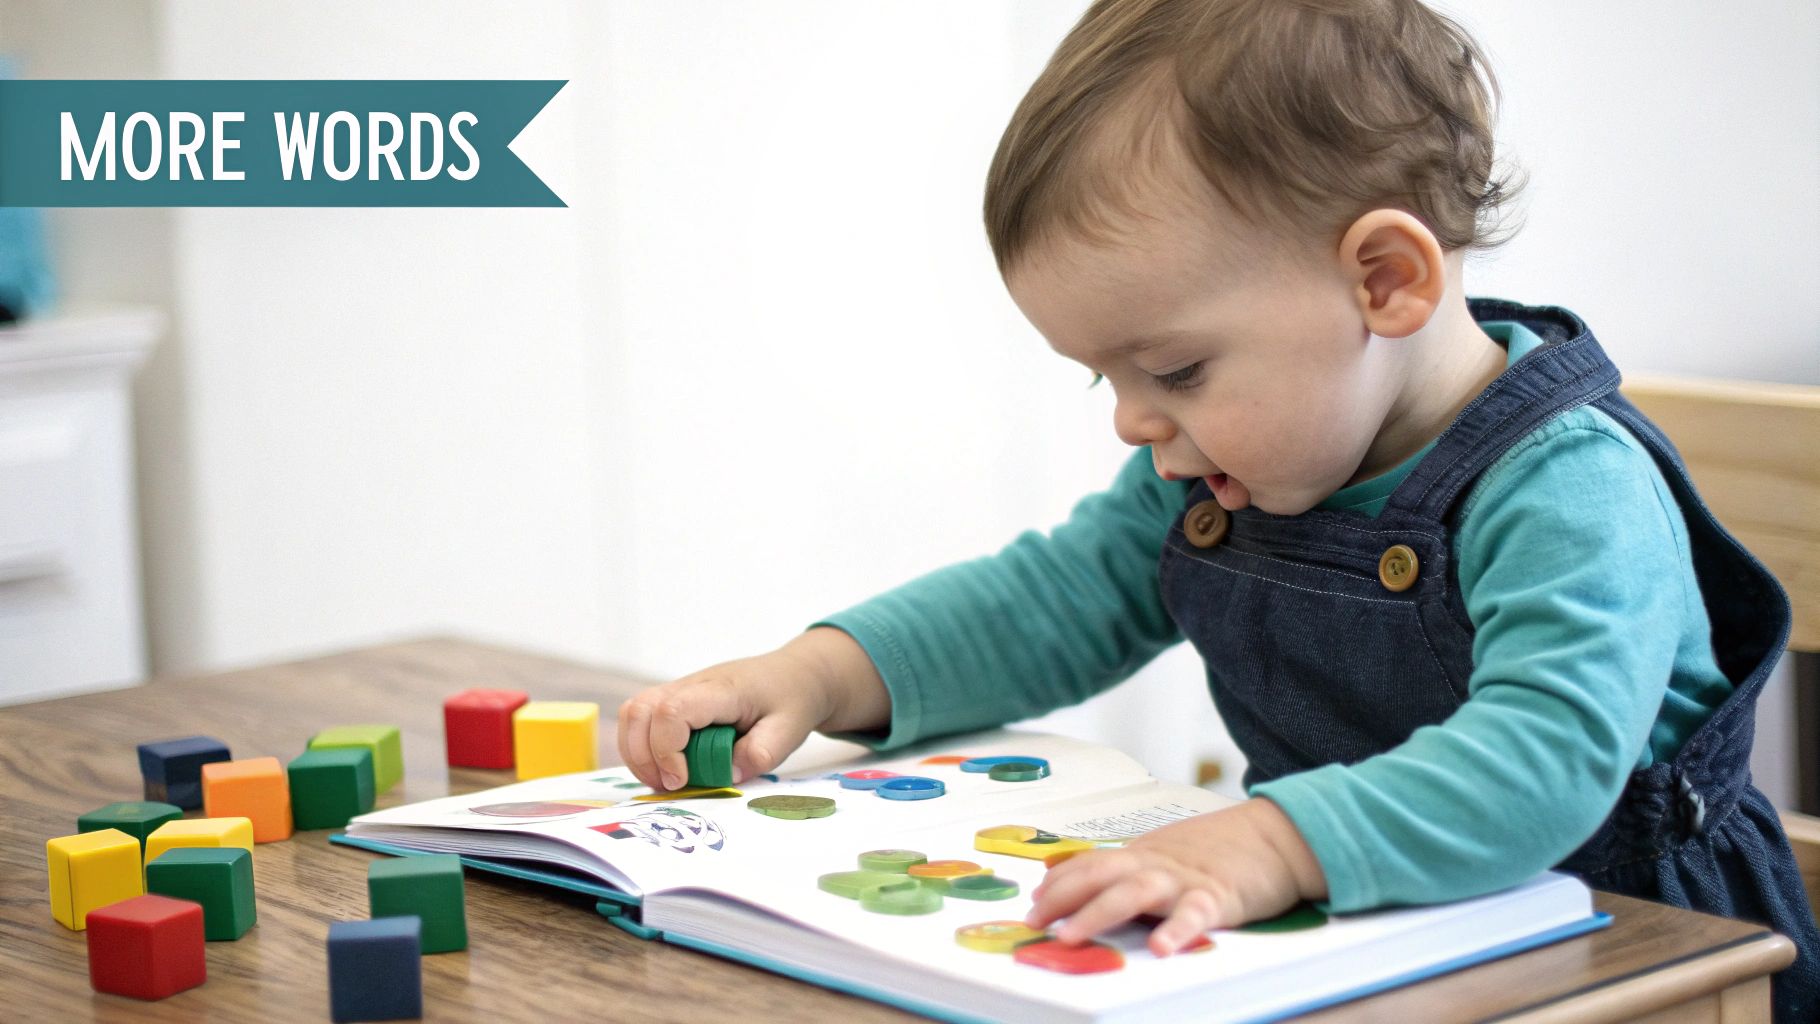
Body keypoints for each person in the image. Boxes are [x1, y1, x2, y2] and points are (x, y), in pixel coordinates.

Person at [617, 1, 1818, 1016]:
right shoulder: (1223, 469)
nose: (1135, 425)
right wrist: (817, 674)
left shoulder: (1566, 487)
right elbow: (1048, 599)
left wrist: (1266, 842)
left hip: (1644, 963)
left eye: (1176, 371)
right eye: (1108, 378)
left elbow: (1544, 758)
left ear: (1384, 281)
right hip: (1366, 941)